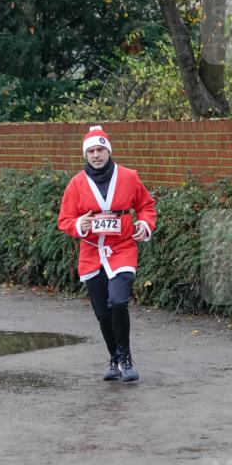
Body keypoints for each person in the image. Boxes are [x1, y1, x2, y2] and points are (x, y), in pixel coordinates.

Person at [58, 125, 156, 382]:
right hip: (91, 252)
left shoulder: (128, 177)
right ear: (85, 155)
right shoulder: (76, 183)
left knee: (118, 301)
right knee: (102, 312)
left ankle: (125, 357)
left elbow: (146, 205)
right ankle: (113, 357)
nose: (96, 155)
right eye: (91, 151)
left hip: (122, 248)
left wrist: (144, 225)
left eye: (100, 149)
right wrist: (81, 224)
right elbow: (65, 219)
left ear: (108, 151)